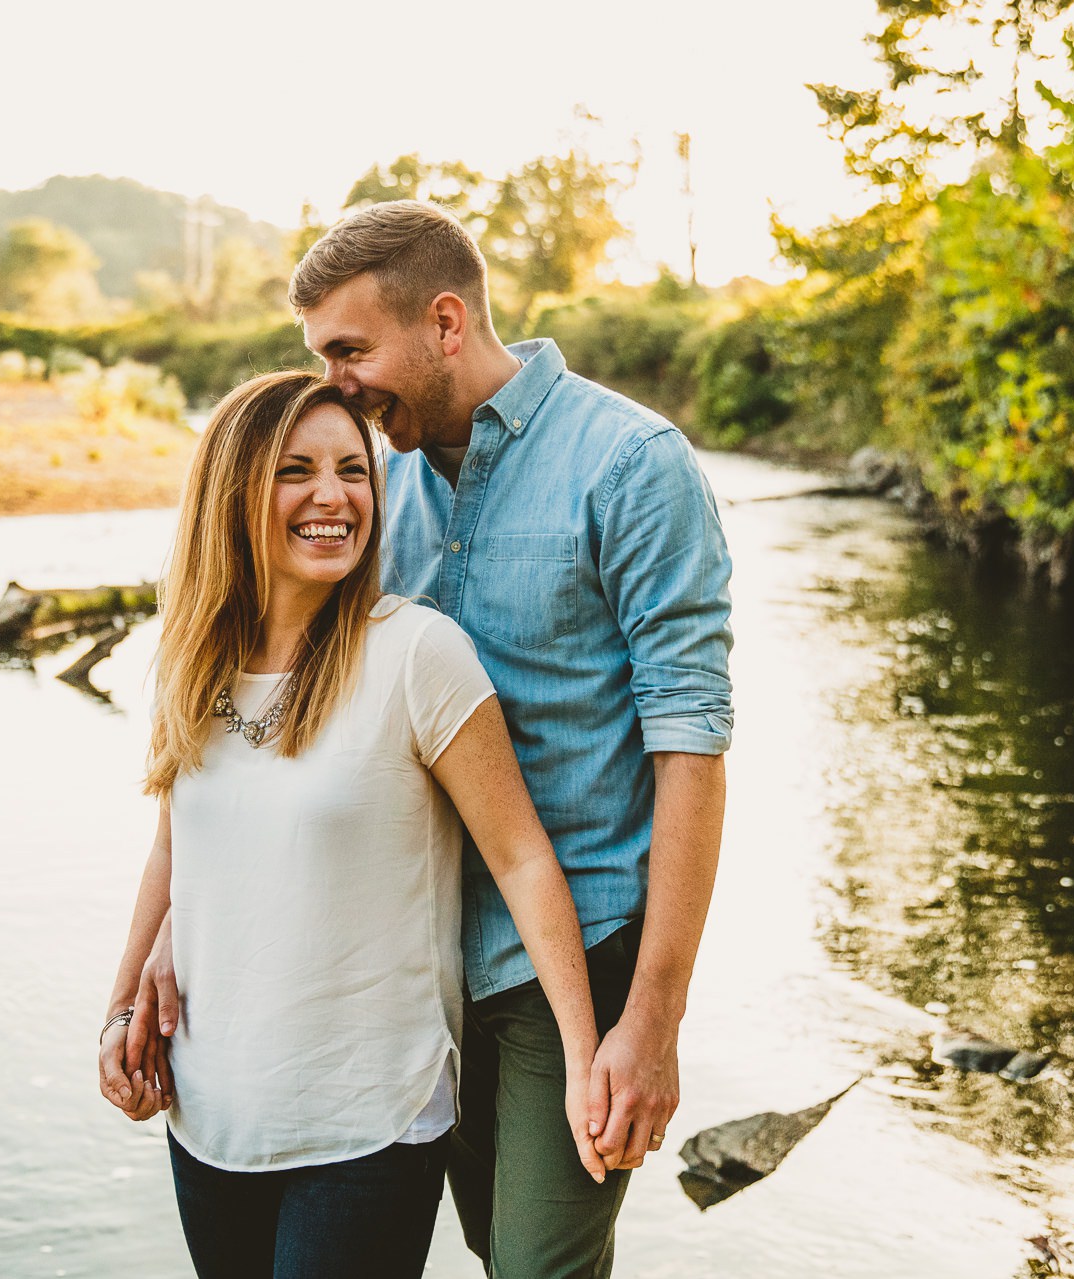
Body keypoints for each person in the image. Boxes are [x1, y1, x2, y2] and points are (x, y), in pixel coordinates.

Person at [132, 201, 735, 1278]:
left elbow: (689, 745)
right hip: (402, 973)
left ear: (446, 323)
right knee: (463, 1245)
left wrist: (651, 1017)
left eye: (351, 351)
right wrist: (184, 924)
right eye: (321, 356)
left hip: (571, 958)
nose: (338, 384)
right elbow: (269, 729)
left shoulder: (631, 464)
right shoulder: (366, 483)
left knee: (539, 1265)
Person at [96, 369, 607, 1279]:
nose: (333, 497)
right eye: (297, 470)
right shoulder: (191, 658)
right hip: (208, 1114)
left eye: (354, 471)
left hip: (367, 1124)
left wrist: (583, 1057)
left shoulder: (417, 653)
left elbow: (524, 858)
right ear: (234, 490)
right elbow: (177, 847)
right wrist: (121, 1009)